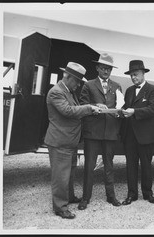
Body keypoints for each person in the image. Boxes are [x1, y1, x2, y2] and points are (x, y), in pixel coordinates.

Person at [44, 62, 101, 219]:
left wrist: (94, 107)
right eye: (76, 80)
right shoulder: (56, 92)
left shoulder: (68, 91)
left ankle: (69, 197)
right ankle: (60, 207)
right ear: (66, 76)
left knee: (68, 173)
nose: (78, 85)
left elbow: (77, 109)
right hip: (60, 141)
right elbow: (68, 111)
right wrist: (89, 108)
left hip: (69, 141)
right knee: (60, 176)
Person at [78, 53, 122, 210]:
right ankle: (85, 198)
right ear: (97, 68)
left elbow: (120, 107)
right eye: (103, 67)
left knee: (109, 166)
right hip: (93, 133)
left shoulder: (117, 86)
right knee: (89, 166)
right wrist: (95, 106)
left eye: (109, 68)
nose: (106, 71)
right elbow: (83, 106)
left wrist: (119, 112)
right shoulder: (88, 85)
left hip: (110, 132)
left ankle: (111, 196)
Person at [120, 60, 154, 205]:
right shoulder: (129, 90)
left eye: (136, 74)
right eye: (131, 75)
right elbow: (125, 107)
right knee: (130, 165)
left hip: (145, 135)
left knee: (146, 166)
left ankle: (148, 194)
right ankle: (132, 195)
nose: (133, 77)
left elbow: (153, 109)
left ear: (143, 74)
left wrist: (134, 111)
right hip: (130, 135)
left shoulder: (153, 90)